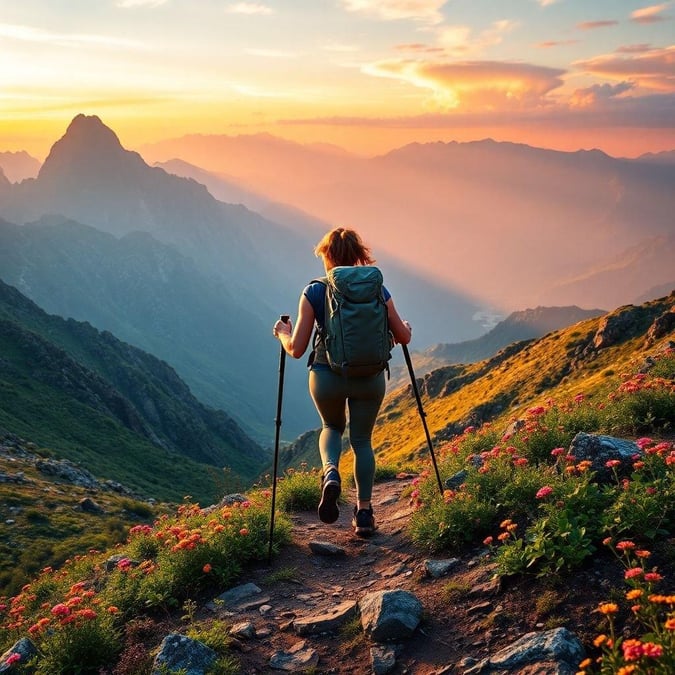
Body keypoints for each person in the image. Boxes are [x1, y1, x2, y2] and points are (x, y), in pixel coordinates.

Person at [273, 227, 412, 536]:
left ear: (329, 256)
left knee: (332, 428)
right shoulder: (379, 289)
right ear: (358, 256)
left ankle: (331, 473)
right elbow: (402, 337)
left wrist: (282, 333)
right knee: (362, 441)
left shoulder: (315, 291)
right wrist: (406, 328)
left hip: (326, 376)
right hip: (370, 377)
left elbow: (296, 349)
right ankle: (364, 514)